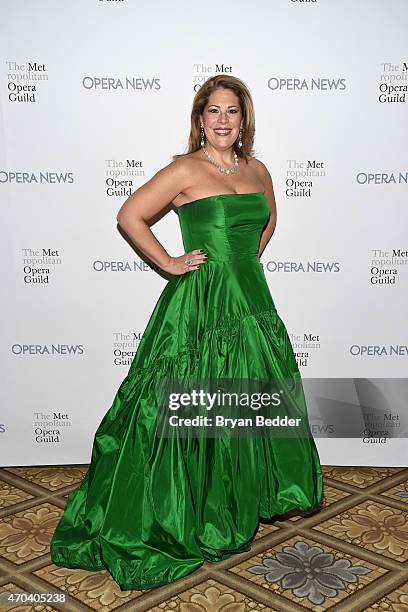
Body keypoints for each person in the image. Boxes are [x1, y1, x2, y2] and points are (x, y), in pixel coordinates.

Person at [50, 74, 324, 591]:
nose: (223, 120)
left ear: (244, 120)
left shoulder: (258, 169)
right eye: (214, 111)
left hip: (251, 300)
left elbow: (266, 223)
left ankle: (240, 499)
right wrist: (172, 263)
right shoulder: (184, 170)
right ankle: (189, 509)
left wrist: (243, 262)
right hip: (200, 304)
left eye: (233, 112)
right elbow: (129, 214)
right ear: (200, 118)